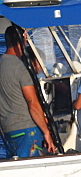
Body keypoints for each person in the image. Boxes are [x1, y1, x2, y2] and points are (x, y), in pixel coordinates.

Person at [0, 25, 57, 157]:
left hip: (7, 129)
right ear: (21, 42)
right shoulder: (21, 68)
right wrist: (46, 132)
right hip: (27, 128)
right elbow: (32, 103)